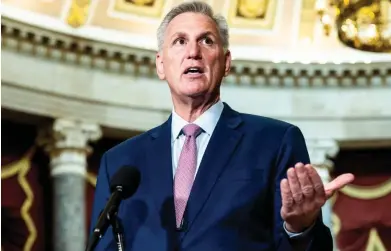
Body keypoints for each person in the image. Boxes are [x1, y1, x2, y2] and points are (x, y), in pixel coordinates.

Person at [89, 1, 354, 250]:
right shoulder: (120, 162)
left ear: (226, 62)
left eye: (206, 41)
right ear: (161, 64)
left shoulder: (275, 142)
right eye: (180, 42)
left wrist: (300, 227)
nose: (193, 52)